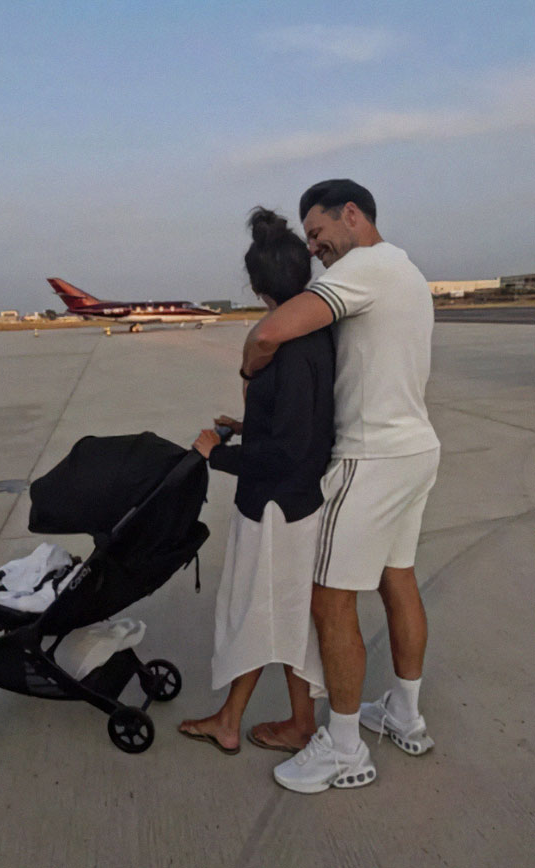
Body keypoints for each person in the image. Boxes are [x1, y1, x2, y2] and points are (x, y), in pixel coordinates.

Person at [241, 179, 440, 793]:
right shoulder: (406, 269)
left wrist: (247, 366)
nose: (316, 249)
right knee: (397, 579)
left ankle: (345, 747)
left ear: (350, 214)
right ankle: (405, 715)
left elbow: (273, 331)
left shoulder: (364, 268)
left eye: (318, 234)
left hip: (370, 457)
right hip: (415, 450)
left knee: (329, 599)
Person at [178, 207, 335, 754]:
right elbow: (303, 424)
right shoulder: (313, 333)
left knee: (261, 613)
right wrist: (247, 425)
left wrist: (217, 454)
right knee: (284, 615)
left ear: (256, 283)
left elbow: (288, 450)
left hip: (276, 506)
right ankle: (275, 720)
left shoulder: (285, 345)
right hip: (295, 502)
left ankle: (247, 721)